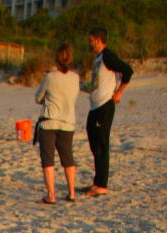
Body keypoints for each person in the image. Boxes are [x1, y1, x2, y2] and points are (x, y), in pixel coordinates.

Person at [85, 27, 133, 197]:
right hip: (95, 105)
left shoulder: (107, 55)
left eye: (90, 40)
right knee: (93, 140)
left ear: (98, 40)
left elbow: (127, 71)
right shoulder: (97, 59)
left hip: (105, 105)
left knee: (101, 144)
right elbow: (97, 82)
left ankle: (101, 185)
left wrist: (119, 92)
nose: (89, 43)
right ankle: (97, 182)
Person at [34, 42, 80, 204]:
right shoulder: (75, 78)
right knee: (68, 158)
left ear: (56, 59)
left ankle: (51, 195)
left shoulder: (50, 77)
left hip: (49, 122)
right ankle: (72, 192)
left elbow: (38, 97)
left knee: (48, 159)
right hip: (68, 122)